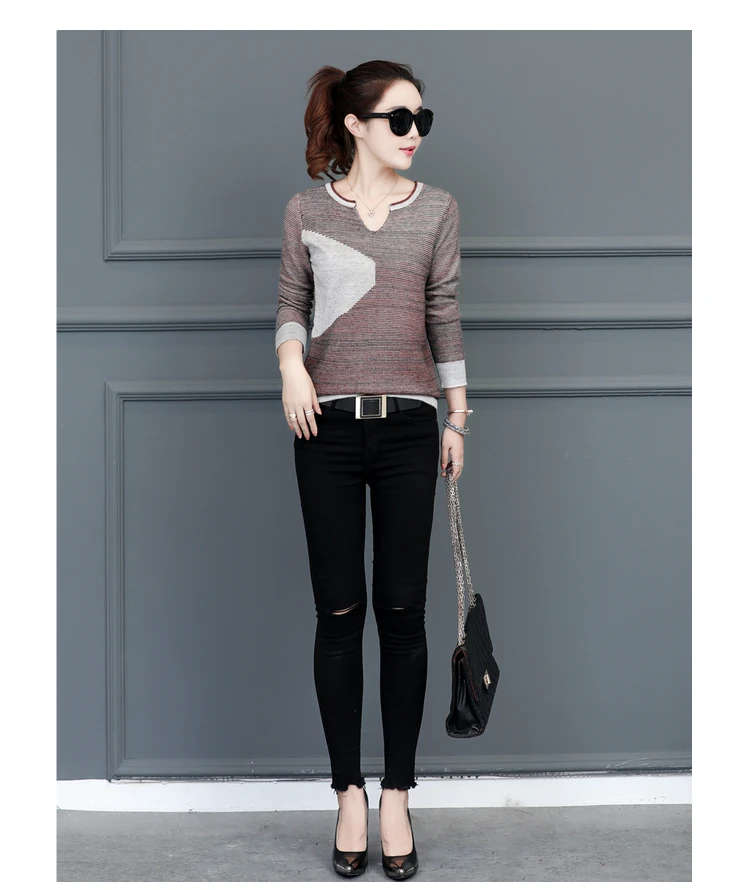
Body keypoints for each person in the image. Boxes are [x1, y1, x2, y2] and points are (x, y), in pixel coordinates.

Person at [274, 60, 471, 880]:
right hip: (323, 428)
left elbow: (443, 312)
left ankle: (397, 793)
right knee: (338, 614)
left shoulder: (438, 210)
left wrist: (458, 417)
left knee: (402, 613)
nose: (414, 131)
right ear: (356, 124)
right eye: (399, 118)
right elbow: (292, 303)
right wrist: (292, 367)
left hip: (410, 431)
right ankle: (347, 792)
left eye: (422, 117)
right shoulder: (307, 210)